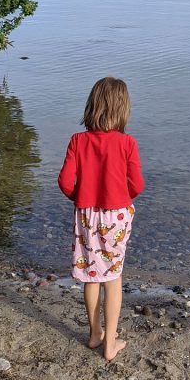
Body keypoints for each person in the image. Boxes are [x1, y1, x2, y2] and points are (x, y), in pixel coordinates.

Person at [58, 77, 144, 362]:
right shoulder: (127, 143)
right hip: (116, 213)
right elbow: (137, 185)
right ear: (123, 110)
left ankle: (95, 333)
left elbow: (64, 181)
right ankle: (111, 342)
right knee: (114, 277)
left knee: (90, 273)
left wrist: (80, 197)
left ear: (92, 106)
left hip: (86, 213)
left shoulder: (78, 141)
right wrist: (122, 195)